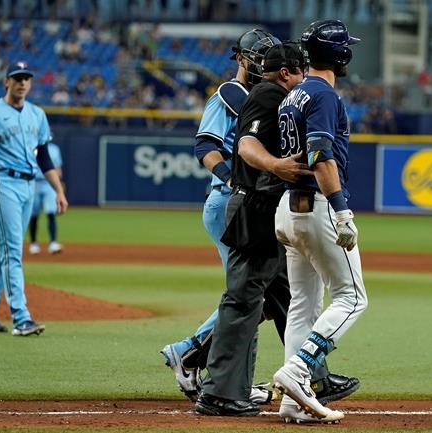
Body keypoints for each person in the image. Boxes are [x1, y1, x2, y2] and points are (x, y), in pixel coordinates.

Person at [195, 41, 359, 421]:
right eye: (299, 70)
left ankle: (312, 377)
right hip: (253, 203)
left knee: (288, 298)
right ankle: (219, 391)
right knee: (243, 298)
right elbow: (247, 144)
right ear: (285, 73)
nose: (304, 77)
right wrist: (275, 166)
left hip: (269, 208)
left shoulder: (280, 96)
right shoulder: (269, 95)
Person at [159, 29, 278, 403]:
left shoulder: (264, 97)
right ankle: (199, 359)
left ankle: (203, 361)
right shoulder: (230, 94)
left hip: (249, 206)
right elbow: (205, 145)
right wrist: (232, 179)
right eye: (258, 57)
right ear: (241, 59)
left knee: (257, 295)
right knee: (248, 296)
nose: (263, 64)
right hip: (230, 202)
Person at [272, 20, 369, 421]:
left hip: (288, 209)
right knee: (352, 298)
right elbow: (320, 155)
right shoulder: (324, 95)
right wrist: (341, 208)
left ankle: (293, 403)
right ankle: (298, 370)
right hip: (317, 206)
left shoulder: (294, 94)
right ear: (341, 55)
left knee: (303, 306)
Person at [0, 61, 68, 336]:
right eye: (17, 78)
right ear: (6, 82)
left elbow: (44, 157)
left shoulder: (37, 114)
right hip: (2, 183)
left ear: (30, 84)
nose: (22, 82)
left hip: (28, 185)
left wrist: (58, 190)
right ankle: (21, 317)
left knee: (6, 252)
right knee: (12, 251)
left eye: (26, 78)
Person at [28, 142, 64, 255]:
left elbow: (58, 168)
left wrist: (59, 186)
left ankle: (53, 243)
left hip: (49, 184)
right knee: (33, 215)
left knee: (51, 212)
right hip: (34, 183)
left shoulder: (54, 149)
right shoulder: (30, 146)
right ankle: (33, 243)